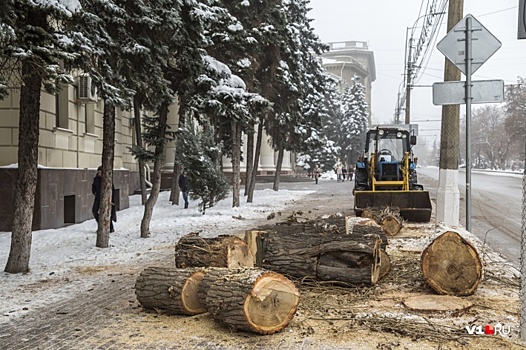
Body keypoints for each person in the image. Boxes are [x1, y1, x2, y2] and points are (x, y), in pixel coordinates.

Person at [91, 166, 115, 232]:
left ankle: (110, 227)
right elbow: (93, 187)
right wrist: (94, 192)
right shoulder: (96, 179)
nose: (99, 174)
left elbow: (112, 189)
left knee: (106, 212)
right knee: (94, 211)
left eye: (101, 172)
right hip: (98, 198)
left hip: (106, 198)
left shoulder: (107, 180)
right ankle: (101, 225)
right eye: (98, 172)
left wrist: (111, 199)